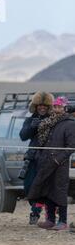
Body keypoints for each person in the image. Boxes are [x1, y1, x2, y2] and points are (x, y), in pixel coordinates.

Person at [29, 96, 75, 231]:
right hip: (46, 162)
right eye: (55, 106)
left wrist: (58, 159)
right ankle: (50, 219)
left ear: (65, 108)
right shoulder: (50, 122)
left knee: (59, 191)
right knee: (47, 190)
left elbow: (71, 145)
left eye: (60, 107)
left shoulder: (70, 123)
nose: (57, 109)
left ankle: (62, 220)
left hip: (60, 164)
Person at [19, 92, 53, 225]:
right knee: (28, 186)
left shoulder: (53, 120)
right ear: (35, 106)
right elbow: (23, 136)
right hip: (32, 157)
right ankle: (37, 204)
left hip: (48, 158)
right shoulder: (30, 119)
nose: (42, 108)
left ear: (49, 106)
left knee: (45, 186)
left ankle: (36, 211)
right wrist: (32, 127)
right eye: (39, 105)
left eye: (45, 105)